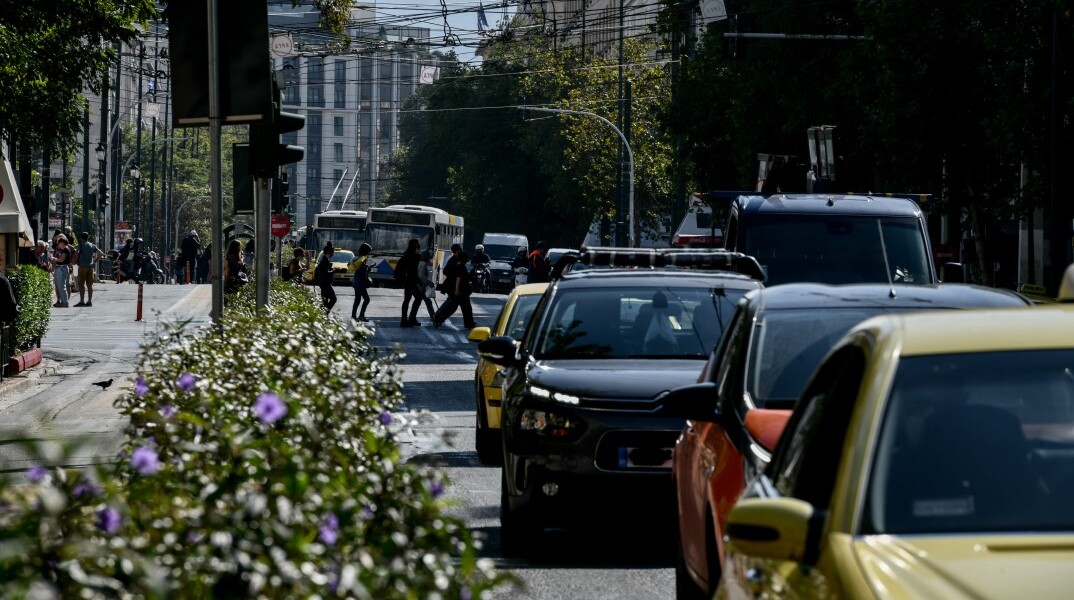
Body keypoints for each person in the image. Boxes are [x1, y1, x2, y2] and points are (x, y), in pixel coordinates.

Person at [434, 249, 477, 328]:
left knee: (452, 306)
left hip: (460, 291)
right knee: (466, 308)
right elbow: (458, 278)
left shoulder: (458, 265)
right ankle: (469, 323)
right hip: (461, 291)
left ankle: (438, 318)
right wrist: (457, 290)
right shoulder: (461, 267)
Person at [395, 238, 423, 327]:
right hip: (411, 280)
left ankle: (405, 319)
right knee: (418, 297)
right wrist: (420, 282)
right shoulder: (414, 256)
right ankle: (411, 318)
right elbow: (413, 271)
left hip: (406, 280)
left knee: (407, 300)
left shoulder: (406, 254)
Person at [73, 232, 105, 307]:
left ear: (81, 238)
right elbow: (100, 253)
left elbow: (77, 252)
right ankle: (89, 301)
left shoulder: (80, 245)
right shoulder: (92, 245)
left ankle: (82, 301)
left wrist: (76, 260)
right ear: (88, 237)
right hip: (90, 267)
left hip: (82, 267)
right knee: (89, 285)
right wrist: (95, 261)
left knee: (81, 284)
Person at [350, 242, 373, 322]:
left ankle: (353, 316)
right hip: (360, 283)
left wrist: (368, 267)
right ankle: (361, 316)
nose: (369, 253)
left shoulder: (358, 258)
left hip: (356, 281)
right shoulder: (362, 259)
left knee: (357, 299)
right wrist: (368, 280)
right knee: (367, 299)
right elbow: (363, 271)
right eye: (368, 252)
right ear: (366, 251)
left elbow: (359, 269)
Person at [50, 234, 73, 307]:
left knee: (61, 286)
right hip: (60, 268)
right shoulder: (64, 249)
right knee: (59, 285)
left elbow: (61, 259)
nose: (59, 245)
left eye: (60, 243)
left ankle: (64, 302)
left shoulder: (65, 250)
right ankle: (62, 301)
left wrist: (54, 259)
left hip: (62, 268)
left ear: (63, 243)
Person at [315, 241, 337, 313]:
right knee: (333, 299)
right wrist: (335, 271)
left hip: (323, 282)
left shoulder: (324, 260)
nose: (332, 255)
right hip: (325, 283)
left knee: (325, 300)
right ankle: (324, 313)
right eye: (331, 253)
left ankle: (323, 313)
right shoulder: (324, 261)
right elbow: (326, 273)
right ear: (328, 253)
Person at [416, 249, 437, 321]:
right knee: (428, 302)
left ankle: (412, 317)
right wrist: (429, 283)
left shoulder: (419, 263)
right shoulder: (424, 264)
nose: (430, 259)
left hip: (418, 286)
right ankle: (433, 317)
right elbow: (422, 276)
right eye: (430, 257)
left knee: (418, 303)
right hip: (421, 287)